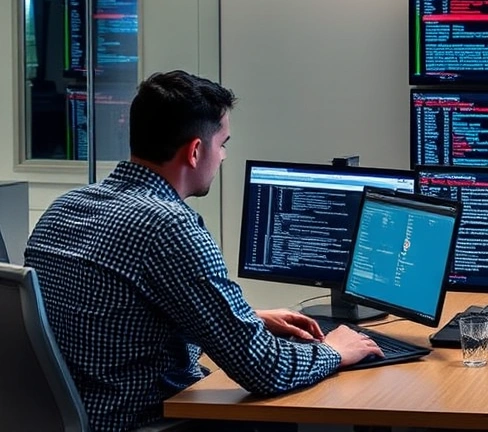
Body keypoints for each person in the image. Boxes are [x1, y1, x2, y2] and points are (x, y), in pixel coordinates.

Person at [25, 71, 382, 432]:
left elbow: (116, 321)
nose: (224, 156)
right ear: (196, 151)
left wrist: (249, 318)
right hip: (143, 421)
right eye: (223, 143)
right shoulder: (169, 226)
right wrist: (334, 351)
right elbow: (263, 368)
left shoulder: (65, 207)